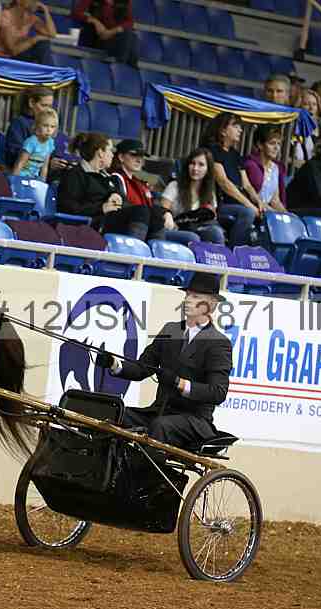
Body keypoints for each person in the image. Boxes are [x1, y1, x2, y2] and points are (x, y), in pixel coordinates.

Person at [97, 271, 232, 451]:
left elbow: (218, 392)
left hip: (194, 420)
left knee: (161, 425)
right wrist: (113, 364)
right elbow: (142, 368)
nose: (188, 300)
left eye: (195, 296)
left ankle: (146, 469)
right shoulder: (170, 330)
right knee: (114, 413)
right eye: (187, 295)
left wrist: (179, 383)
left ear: (211, 304)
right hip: (159, 412)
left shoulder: (218, 342)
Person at [199, 112, 261, 247]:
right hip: (220, 204)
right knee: (248, 212)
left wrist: (258, 202)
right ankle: (234, 250)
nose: (240, 130)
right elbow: (224, 183)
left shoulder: (235, 154)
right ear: (222, 131)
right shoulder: (212, 151)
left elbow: (247, 185)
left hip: (238, 203)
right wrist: (249, 205)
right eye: (235, 126)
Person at [56, 132, 132, 232]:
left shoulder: (109, 178)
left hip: (114, 219)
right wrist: (102, 208)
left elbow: (127, 205)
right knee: (141, 213)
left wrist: (118, 198)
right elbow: (68, 208)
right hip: (92, 224)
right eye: (110, 150)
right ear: (100, 153)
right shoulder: (74, 175)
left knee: (146, 212)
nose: (112, 155)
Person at [108, 138, 174, 242]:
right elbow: (120, 206)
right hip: (124, 227)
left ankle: (156, 251)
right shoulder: (115, 178)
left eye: (141, 156)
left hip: (146, 227)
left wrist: (166, 212)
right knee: (143, 212)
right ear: (121, 157)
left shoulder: (141, 184)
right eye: (134, 155)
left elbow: (154, 206)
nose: (139, 160)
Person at [161, 148, 226, 244]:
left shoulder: (210, 192)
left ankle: (219, 253)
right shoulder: (175, 186)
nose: (195, 168)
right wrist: (167, 215)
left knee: (216, 233)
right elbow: (162, 210)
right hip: (173, 230)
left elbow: (212, 218)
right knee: (192, 238)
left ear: (208, 169)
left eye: (201, 165)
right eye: (192, 163)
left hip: (197, 229)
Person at [3, 85, 69, 176]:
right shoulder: (19, 123)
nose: (48, 109)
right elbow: (14, 154)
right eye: (44, 105)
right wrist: (47, 162)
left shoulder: (49, 128)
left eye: (50, 106)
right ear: (31, 103)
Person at [0, 0, 56, 67]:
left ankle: (49, 72)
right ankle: (48, 74)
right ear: (19, 1)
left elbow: (52, 34)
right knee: (39, 43)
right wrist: (35, 39)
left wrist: (46, 11)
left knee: (43, 44)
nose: (36, 3)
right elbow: (12, 50)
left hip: (11, 56)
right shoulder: (5, 17)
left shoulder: (30, 17)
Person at [71, 0, 138, 68]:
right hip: (97, 37)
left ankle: (120, 66)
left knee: (129, 37)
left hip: (114, 38)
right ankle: (122, 67)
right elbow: (76, 13)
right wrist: (95, 21)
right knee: (129, 43)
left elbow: (130, 22)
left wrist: (112, 31)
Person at [243, 125, 288, 213]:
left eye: (278, 144)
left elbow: (275, 200)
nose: (276, 148)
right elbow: (252, 197)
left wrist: (287, 214)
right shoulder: (251, 165)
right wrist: (273, 212)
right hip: (253, 210)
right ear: (260, 145)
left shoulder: (276, 168)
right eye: (272, 143)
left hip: (268, 212)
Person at [13, 106, 57, 180]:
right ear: (37, 125)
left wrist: (42, 182)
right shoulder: (31, 142)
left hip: (34, 178)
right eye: (45, 126)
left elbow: (45, 166)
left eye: (52, 127)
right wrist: (13, 180)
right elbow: (20, 163)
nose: (49, 130)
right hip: (22, 176)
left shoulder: (50, 143)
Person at [292, 87, 321, 169]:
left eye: (314, 104)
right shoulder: (291, 126)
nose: (311, 108)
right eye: (306, 104)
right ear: (298, 106)